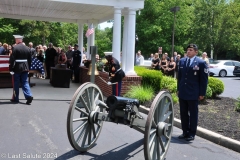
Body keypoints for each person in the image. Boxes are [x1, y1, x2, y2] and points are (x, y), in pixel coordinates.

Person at [177, 44, 208, 141]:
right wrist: (178, 89)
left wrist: (202, 93)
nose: (188, 51)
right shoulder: (182, 61)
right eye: (188, 50)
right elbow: (180, 77)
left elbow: (204, 80)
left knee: (193, 114)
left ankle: (191, 133)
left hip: (193, 93)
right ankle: (185, 131)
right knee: (183, 113)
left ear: (196, 52)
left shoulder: (201, 63)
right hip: (183, 92)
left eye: (191, 50)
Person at [9, 35, 33, 105]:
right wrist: (28, 68)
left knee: (16, 83)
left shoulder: (15, 48)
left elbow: (12, 59)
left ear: (17, 40)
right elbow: (30, 60)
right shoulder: (27, 48)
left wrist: (11, 69)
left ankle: (16, 98)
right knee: (25, 82)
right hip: (25, 67)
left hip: (17, 67)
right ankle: (28, 96)